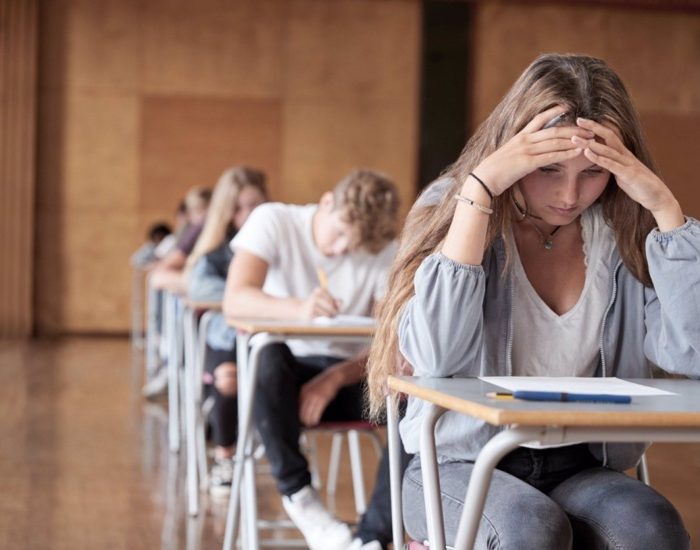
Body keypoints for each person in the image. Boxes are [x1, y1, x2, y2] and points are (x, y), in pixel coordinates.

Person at [366, 53, 699, 549]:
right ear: (511, 152)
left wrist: (666, 210)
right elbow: (435, 358)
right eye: (548, 169)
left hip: (581, 463)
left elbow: (692, 354)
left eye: (593, 173)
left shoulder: (625, 230)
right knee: (531, 530)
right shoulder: (452, 209)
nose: (569, 194)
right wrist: (479, 190)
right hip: (459, 463)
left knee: (653, 529)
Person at [224, 169, 401, 550]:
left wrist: (336, 377)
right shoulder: (274, 220)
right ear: (325, 203)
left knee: (411, 399)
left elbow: (391, 341)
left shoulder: (383, 246)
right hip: (280, 378)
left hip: (347, 374)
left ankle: (374, 535)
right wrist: (299, 308)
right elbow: (235, 299)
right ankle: (300, 497)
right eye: (339, 235)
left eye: (355, 247)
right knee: (267, 354)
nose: (341, 251)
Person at [186, 166, 268, 496]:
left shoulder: (276, 245)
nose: (248, 214)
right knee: (229, 376)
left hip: (267, 337)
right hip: (226, 340)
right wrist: (251, 295)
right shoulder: (215, 256)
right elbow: (199, 290)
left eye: (254, 204)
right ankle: (225, 455)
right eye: (239, 207)